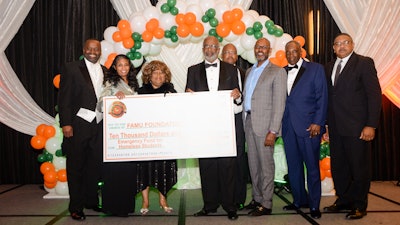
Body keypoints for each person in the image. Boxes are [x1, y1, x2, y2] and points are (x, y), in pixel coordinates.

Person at [323, 33, 382, 220]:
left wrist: (370, 124)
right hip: (335, 127)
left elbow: (374, 96)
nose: (341, 46)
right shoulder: (329, 67)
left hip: (357, 128)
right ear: (333, 48)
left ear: (352, 44)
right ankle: (343, 200)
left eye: (345, 43)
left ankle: (359, 204)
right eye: (337, 44)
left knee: (359, 168)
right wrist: (326, 126)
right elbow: (329, 99)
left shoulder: (364, 63)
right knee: (339, 167)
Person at [186, 36, 241, 220]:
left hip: (225, 127)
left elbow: (239, 96)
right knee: (207, 166)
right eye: (207, 46)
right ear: (203, 49)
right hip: (203, 128)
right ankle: (209, 205)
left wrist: (237, 94)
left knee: (227, 166)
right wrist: (188, 96)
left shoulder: (231, 69)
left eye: (213, 46)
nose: (210, 49)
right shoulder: (192, 71)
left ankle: (230, 206)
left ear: (218, 49)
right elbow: (188, 97)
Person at [58, 39, 105, 220]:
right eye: (90, 48)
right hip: (77, 126)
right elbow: (64, 98)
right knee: (76, 167)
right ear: (84, 50)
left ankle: (91, 201)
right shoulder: (71, 68)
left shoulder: (106, 71)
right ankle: (76, 207)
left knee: (94, 167)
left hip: (98, 126)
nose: (93, 51)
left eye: (96, 49)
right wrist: (66, 124)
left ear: (100, 51)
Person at [281, 40, 328, 219]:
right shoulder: (282, 71)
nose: (291, 54)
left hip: (309, 127)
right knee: (293, 168)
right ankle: (299, 200)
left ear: (301, 51)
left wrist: (318, 122)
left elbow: (322, 97)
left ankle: (315, 205)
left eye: (294, 51)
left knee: (312, 168)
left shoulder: (315, 69)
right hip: (288, 128)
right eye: (288, 52)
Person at [242, 38, 287, 216]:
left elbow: (279, 104)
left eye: (264, 47)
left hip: (266, 126)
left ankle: (266, 204)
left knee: (266, 166)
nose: (260, 50)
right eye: (258, 47)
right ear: (254, 49)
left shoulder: (277, 71)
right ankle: (257, 198)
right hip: (249, 123)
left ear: (269, 50)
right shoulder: (249, 71)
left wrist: (273, 131)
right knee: (253, 165)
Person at [97, 54, 140, 217]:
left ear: (130, 67)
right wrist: (113, 98)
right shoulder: (111, 82)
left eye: (126, 65)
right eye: (120, 65)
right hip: (114, 134)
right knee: (114, 171)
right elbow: (101, 104)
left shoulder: (135, 83)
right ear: (115, 67)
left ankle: (126, 206)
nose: (123, 68)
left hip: (129, 133)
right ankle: (113, 206)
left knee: (128, 170)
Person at [137, 60, 178, 215]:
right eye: (155, 72)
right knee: (144, 169)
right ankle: (145, 201)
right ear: (149, 75)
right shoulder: (140, 92)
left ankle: (163, 200)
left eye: (162, 72)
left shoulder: (171, 91)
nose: (159, 75)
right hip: (146, 138)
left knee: (165, 168)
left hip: (165, 138)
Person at [221, 43, 247, 210]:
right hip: (219, 121)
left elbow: (247, 96)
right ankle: (224, 197)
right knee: (222, 160)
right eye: (227, 52)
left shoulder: (244, 73)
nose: (230, 56)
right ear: (221, 55)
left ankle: (239, 197)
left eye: (233, 53)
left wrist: (239, 97)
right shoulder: (215, 72)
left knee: (238, 160)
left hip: (237, 120)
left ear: (237, 57)